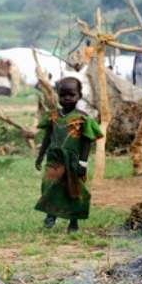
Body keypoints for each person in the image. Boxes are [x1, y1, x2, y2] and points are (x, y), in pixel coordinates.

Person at [35, 77, 103, 232]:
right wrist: (40, 156)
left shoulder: (83, 119)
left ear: (79, 95)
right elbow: (47, 137)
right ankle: (51, 214)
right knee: (49, 185)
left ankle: (74, 222)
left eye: (71, 95)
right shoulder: (53, 116)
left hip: (73, 160)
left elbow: (87, 141)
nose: (66, 98)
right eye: (62, 95)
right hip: (55, 159)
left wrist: (83, 163)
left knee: (74, 190)